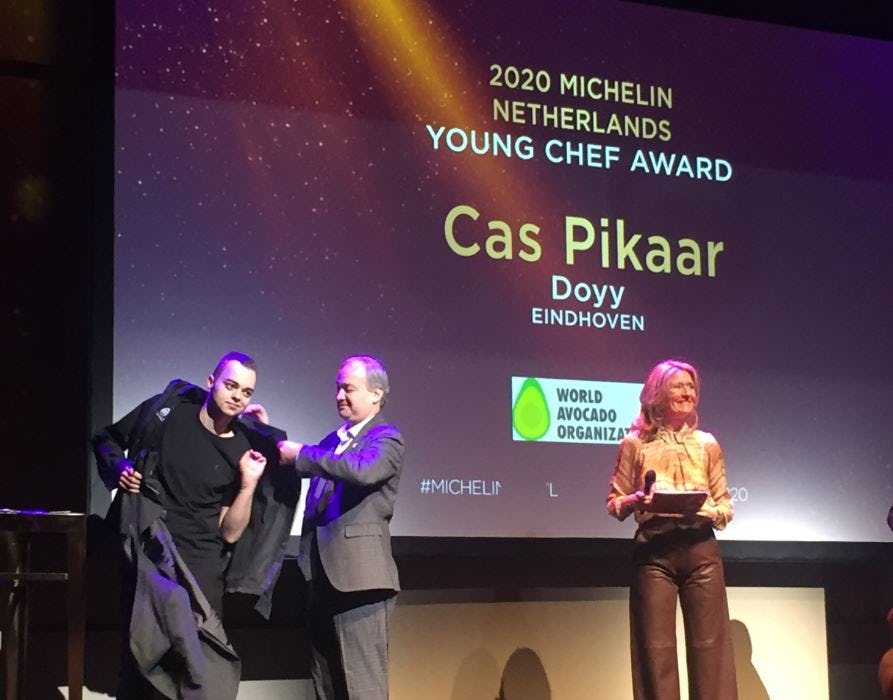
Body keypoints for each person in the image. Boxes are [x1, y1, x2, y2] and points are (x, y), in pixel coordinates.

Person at [93, 351, 295, 699]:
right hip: (152, 553)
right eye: (231, 385)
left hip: (202, 567)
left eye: (246, 392)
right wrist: (119, 468)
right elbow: (106, 439)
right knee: (139, 660)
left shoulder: (242, 447)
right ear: (211, 381)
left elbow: (230, 531)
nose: (237, 396)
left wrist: (248, 484)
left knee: (197, 670)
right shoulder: (168, 412)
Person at [606, 359, 736, 700]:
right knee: (656, 650)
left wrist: (705, 508)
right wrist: (637, 500)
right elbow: (615, 503)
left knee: (711, 649)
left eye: (691, 386)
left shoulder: (707, 444)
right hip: (654, 550)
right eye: (679, 385)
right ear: (658, 393)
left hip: (700, 548)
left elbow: (725, 507)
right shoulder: (635, 444)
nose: (688, 392)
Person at [278, 354, 404, 700]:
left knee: (362, 690)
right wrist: (262, 432)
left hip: (360, 584)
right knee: (327, 688)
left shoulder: (387, 439)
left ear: (376, 394)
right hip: (321, 583)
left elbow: (361, 470)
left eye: (348, 388)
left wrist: (302, 453)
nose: (339, 396)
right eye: (337, 388)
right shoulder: (332, 442)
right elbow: (298, 461)